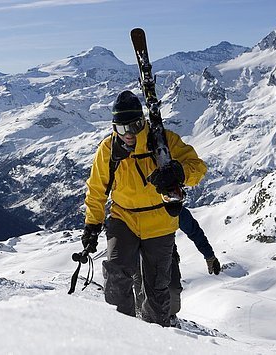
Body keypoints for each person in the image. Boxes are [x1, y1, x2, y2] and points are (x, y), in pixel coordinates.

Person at [82, 90, 207, 327]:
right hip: (124, 219)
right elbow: (97, 190)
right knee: (116, 274)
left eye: (134, 126)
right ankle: (122, 332)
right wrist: (92, 225)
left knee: (157, 290)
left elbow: (198, 167)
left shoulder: (165, 142)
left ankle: (154, 337)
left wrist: (179, 172)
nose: (128, 134)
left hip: (160, 223)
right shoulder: (109, 150)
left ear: (143, 121)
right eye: (121, 128)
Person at [133, 207, 221, 325]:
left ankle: (169, 318)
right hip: (140, 252)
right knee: (144, 292)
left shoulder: (171, 207)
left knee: (172, 290)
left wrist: (209, 255)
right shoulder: (137, 202)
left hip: (167, 252)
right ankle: (143, 321)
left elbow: (194, 231)